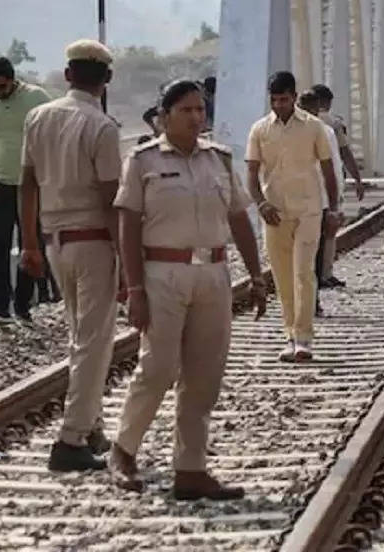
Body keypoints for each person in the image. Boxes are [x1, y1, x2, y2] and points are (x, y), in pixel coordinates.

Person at [108, 79, 267, 499]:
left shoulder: (219, 159)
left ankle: (191, 468)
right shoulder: (142, 161)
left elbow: (238, 220)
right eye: (187, 110)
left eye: (201, 110)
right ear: (165, 115)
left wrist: (256, 275)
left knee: (204, 375)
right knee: (157, 367)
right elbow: (127, 225)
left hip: (213, 276)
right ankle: (123, 450)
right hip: (163, 274)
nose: (198, 117)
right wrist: (134, 288)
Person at [18, 40, 122, 472]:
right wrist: (129, 257)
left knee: (79, 335)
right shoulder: (101, 127)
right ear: (106, 80)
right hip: (95, 242)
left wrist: (28, 244)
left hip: (55, 242)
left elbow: (27, 184)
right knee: (94, 342)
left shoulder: (38, 117)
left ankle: (91, 424)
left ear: (67, 75)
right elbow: (111, 196)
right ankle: (71, 439)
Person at [247, 71, 338, 363]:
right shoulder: (260, 129)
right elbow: (251, 173)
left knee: (303, 273)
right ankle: (289, 335)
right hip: (274, 213)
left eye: (283, 99)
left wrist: (334, 208)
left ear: (294, 97)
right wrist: (261, 204)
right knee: (282, 276)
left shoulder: (314, 128)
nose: (278, 105)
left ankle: (304, 338)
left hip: (309, 209)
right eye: (274, 100)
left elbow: (328, 170)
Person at [0, 56, 55, 325]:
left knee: (30, 243)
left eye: (3, 87)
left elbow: (52, 135)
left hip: (30, 183)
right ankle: (0, 308)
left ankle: (22, 305)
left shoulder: (38, 98)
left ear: (13, 79)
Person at [310, 83, 363, 288]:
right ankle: (325, 272)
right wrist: (357, 178)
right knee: (330, 230)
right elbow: (345, 153)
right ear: (326, 102)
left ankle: (312, 273)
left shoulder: (297, 121)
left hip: (307, 186)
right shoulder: (332, 124)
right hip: (330, 182)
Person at [297, 90, 343, 317]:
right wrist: (335, 202)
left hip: (311, 202)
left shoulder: (322, 132)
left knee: (307, 255)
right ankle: (309, 303)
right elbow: (334, 169)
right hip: (313, 201)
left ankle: (307, 303)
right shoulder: (325, 131)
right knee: (310, 255)